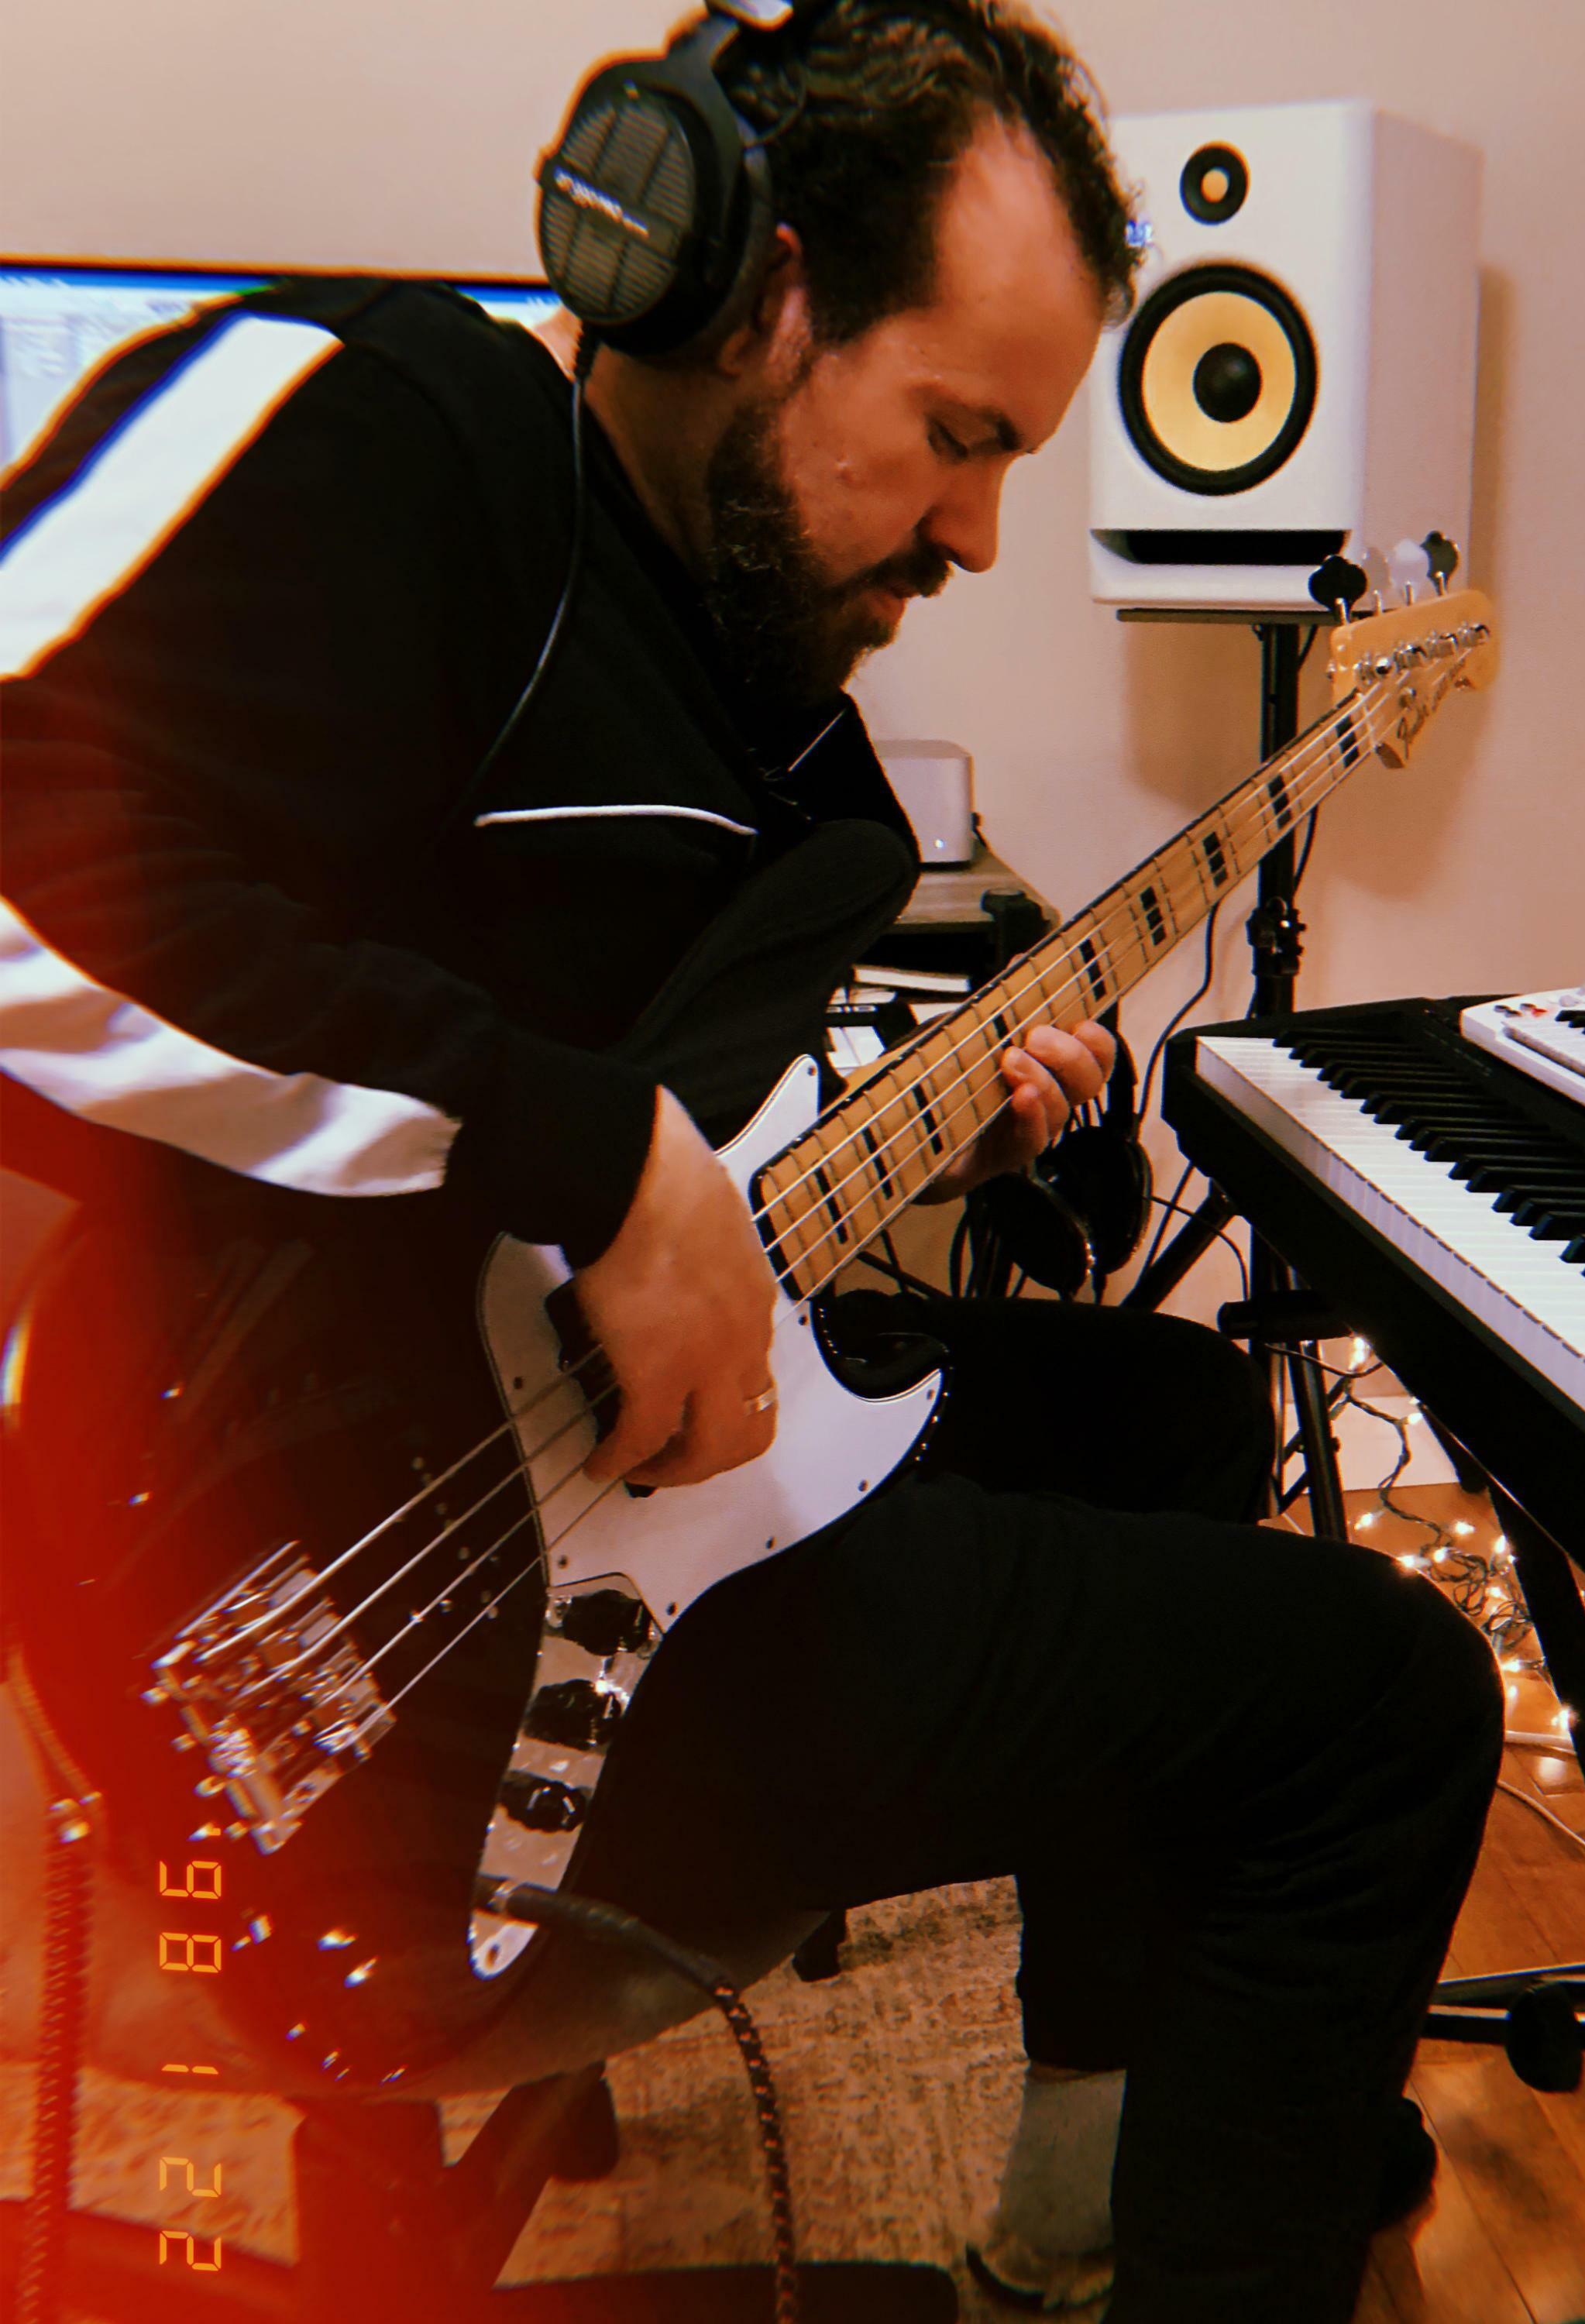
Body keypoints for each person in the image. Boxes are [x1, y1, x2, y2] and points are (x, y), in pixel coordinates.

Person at [0, 5, 1502, 2318]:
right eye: (958, 437)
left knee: (1178, 1416)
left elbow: (658, 1088)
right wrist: (597, 1159)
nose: (981, 535)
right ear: (753, 293)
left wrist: (936, 1103)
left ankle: (1092, 2196)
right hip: (309, 1594)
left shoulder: (790, 748)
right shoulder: (401, 429)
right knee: (1390, 1709)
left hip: (589, 1501)